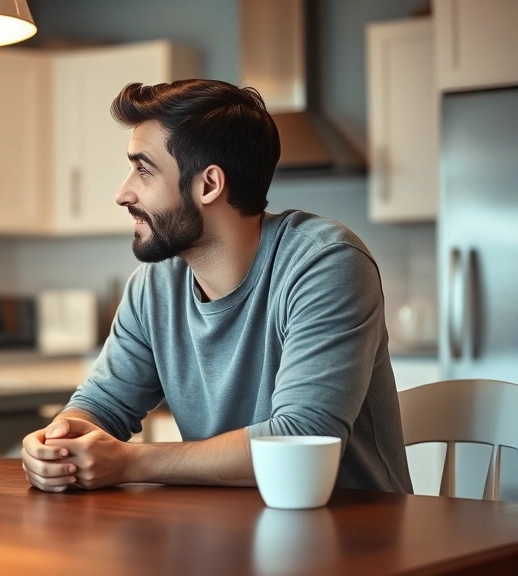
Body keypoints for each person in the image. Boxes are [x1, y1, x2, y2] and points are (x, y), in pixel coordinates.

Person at [22, 79, 413, 494]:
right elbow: (101, 406)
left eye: (143, 170)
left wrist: (129, 461)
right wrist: (58, 442)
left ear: (208, 185)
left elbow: (299, 439)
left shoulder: (325, 263)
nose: (123, 193)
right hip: (220, 539)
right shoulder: (153, 287)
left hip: (354, 540)